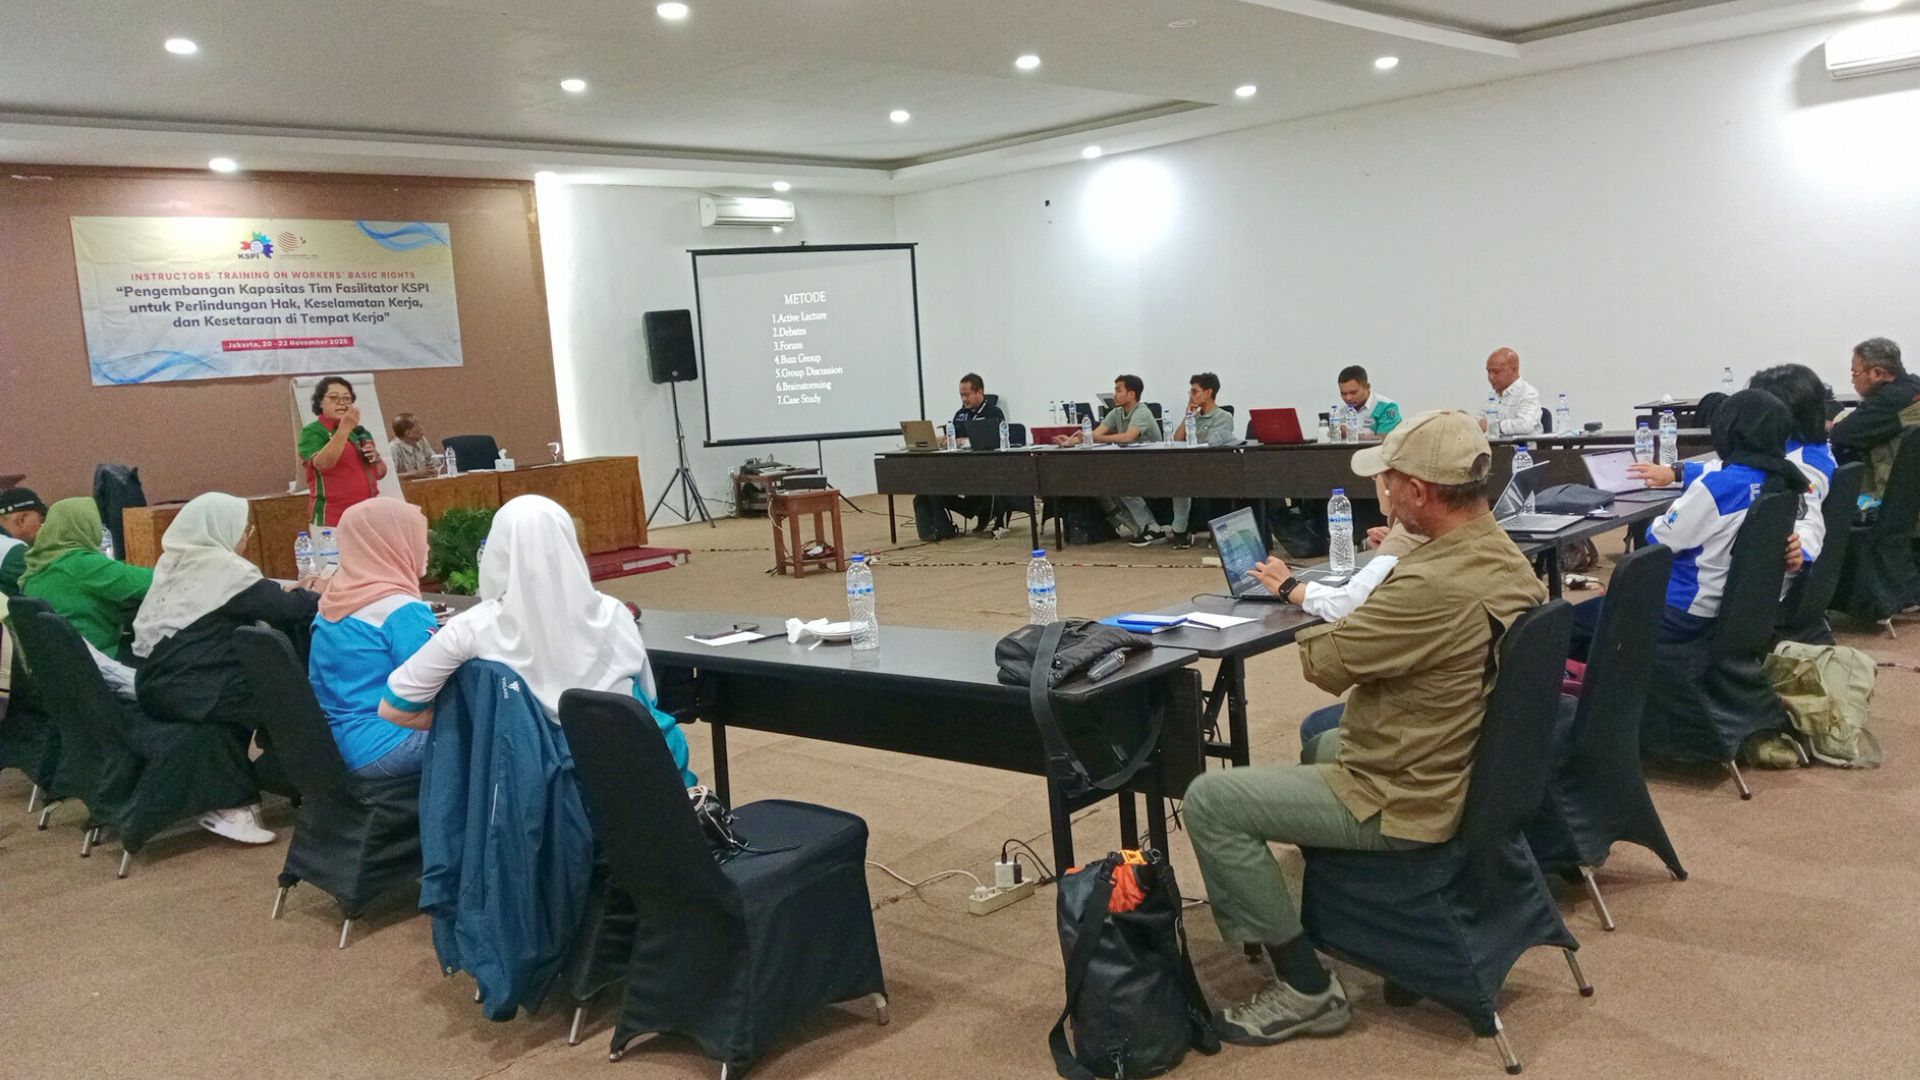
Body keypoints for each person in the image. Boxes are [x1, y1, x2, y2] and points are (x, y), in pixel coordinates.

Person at [1182, 411, 1544, 1047]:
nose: (1384, 490)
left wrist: (1311, 595)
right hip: (1465, 762)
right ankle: (1371, 920)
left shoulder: (1431, 584)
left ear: (1418, 492)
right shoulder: (1502, 556)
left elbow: (1325, 664)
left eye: (1390, 479)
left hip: (1408, 794)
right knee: (1321, 741)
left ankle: (1306, 989)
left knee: (1211, 801)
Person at [379, 495, 698, 786]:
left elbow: (395, 707)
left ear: (498, 552)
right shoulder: (616, 613)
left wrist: (483, 729)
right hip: (648, 774)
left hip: (542, 791)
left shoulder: (473, 627)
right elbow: (647, 698)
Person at [132, 494, 322, 843]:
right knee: (295, 696)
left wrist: (286, 594)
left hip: (158, 684)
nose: (246, 535)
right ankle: (313, 782)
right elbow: (290, 610)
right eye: (244, 528)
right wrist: (320, 592)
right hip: (195, 688)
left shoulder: (178, 562)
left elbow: (255, 599)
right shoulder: (222, 567)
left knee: (271, 690)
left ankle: (254, 790)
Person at [1574, 390, 1808, 659]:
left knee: (1574, 621)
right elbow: (1716, 469)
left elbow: (1659, 538)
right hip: (1734, 610)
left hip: (1684, 611)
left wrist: (1674, 509)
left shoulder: (1717, 487)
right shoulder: (1784, 481)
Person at [1627, 366, 1832, 567]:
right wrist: (1679, 472)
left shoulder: (1801, 469)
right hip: (1758, 571)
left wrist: (1801, 549)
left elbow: (1808, 521)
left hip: (1748, 574)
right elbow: (1739, 470)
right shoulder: (1803, 454)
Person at [308, 499, 438, 779]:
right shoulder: (401, 609)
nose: (426, 548)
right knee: (495, 730)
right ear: (391, 543)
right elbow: (434, 685)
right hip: (388, 744)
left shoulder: (333, 601)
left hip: (335, 744)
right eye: (417, 538)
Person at [20, 497, 152, 655]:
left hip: (66, 660)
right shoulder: (81, 564)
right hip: (103, 657)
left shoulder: (37, 562)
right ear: (86, 526)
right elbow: (151, 582)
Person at [1053, 374, 1164, 539]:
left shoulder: (1142, 412)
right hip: (1132, 464)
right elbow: (1094, 435)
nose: (1114, 395)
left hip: (1155, 465)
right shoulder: (1116, 413)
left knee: (1123, 483)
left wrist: (1095, 438)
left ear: (1131, 394)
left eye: (1119, 390)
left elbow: (1128, 437)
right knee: (1097, 481)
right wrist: (1070, 441)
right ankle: (1130, 523)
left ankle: (1152, 527)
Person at [1133, 373, 1237, 548]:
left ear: (1209, 392)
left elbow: (1213, 444)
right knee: (1176, 478)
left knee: (1182, 479)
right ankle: (1180, 531)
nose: (1191, 395)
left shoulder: (1223, 416)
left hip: (1212, 467)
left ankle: (1181, 530)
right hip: (1188, 466)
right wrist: (1187, 416)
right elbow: (1177, 440)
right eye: (1190, 392)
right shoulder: (1193, 416)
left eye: (1195, 391)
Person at [913, 373, 1006, 541]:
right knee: (928, 490)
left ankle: (980, 510)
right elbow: (953, 437)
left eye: (967, 394)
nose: (964, 399)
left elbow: (992, 440)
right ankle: (941, 528)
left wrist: (962, 440)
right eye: (961, 395)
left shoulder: (994, 412)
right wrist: (943, 440)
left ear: (980, 392)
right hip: (958, 465)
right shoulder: (960, 414)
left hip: (984, 466)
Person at [1830, 337, 1920, 503]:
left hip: (1893, 500)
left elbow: (1841, 435)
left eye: (1855, 373)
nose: (1852, 381)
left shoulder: (1888, 400)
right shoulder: (1914, 387)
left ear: (1878, 373)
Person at [299, 376, 388, 527]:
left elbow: (379, 474)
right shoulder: (313, 431)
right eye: (334, 397)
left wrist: (377, 460)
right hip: (333, 518)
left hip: (367, 514)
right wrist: (344, 428)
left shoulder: (360, 432)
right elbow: (323, 464)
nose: (341, 402)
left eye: (347, 398)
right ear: (320, 402)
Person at [1480, 347, 1544, 436]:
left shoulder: (1528, 393)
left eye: (1496, 372)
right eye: (1488, 371)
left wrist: (1492, 426)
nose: (1491, 377)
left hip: (1521, 445)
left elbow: (1525, 425)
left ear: (1514, 370)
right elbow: (1481, 421)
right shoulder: (1492, 394)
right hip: (1493, 444)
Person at [0, 486, 48, 597]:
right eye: (41, 520)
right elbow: (53, 581)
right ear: (21, 520)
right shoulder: (11, 549)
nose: (43, 526)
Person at [1337, 365, 1402, 440]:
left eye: (1353, 393)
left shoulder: (1387, 407)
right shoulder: (1341, 410)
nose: (1348, 398)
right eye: (1343, 394)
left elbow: (1385, 440)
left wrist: (1350, 434)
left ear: (1367, 387)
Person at [388, 413, 437, 480]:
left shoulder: (422, 440)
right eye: (418, 426)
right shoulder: (393, 448)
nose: (421, 428)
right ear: (408, 433)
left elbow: (435, 461)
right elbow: (389, 477)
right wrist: (415, 474)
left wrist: (434, 469)